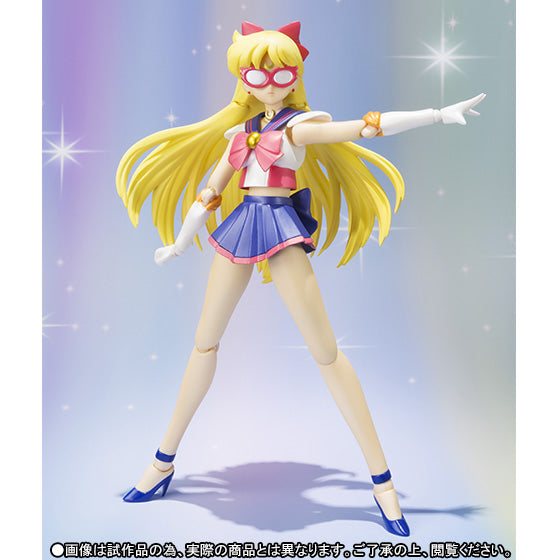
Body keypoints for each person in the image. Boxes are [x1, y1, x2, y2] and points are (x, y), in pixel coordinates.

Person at [116, 21, 484, 537]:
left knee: (326, 353)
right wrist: (180, 242)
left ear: (295, 76)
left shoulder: (297, 128)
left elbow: (365, 127)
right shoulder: (239, 134)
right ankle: (162, 462)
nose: (269, 83)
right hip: (240, 226)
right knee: (204, 344)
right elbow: (209, 193)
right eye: (256, 74)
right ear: (243, 79)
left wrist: (437, 114)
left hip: (281, 230)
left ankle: (383, 483)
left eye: (281, 73)